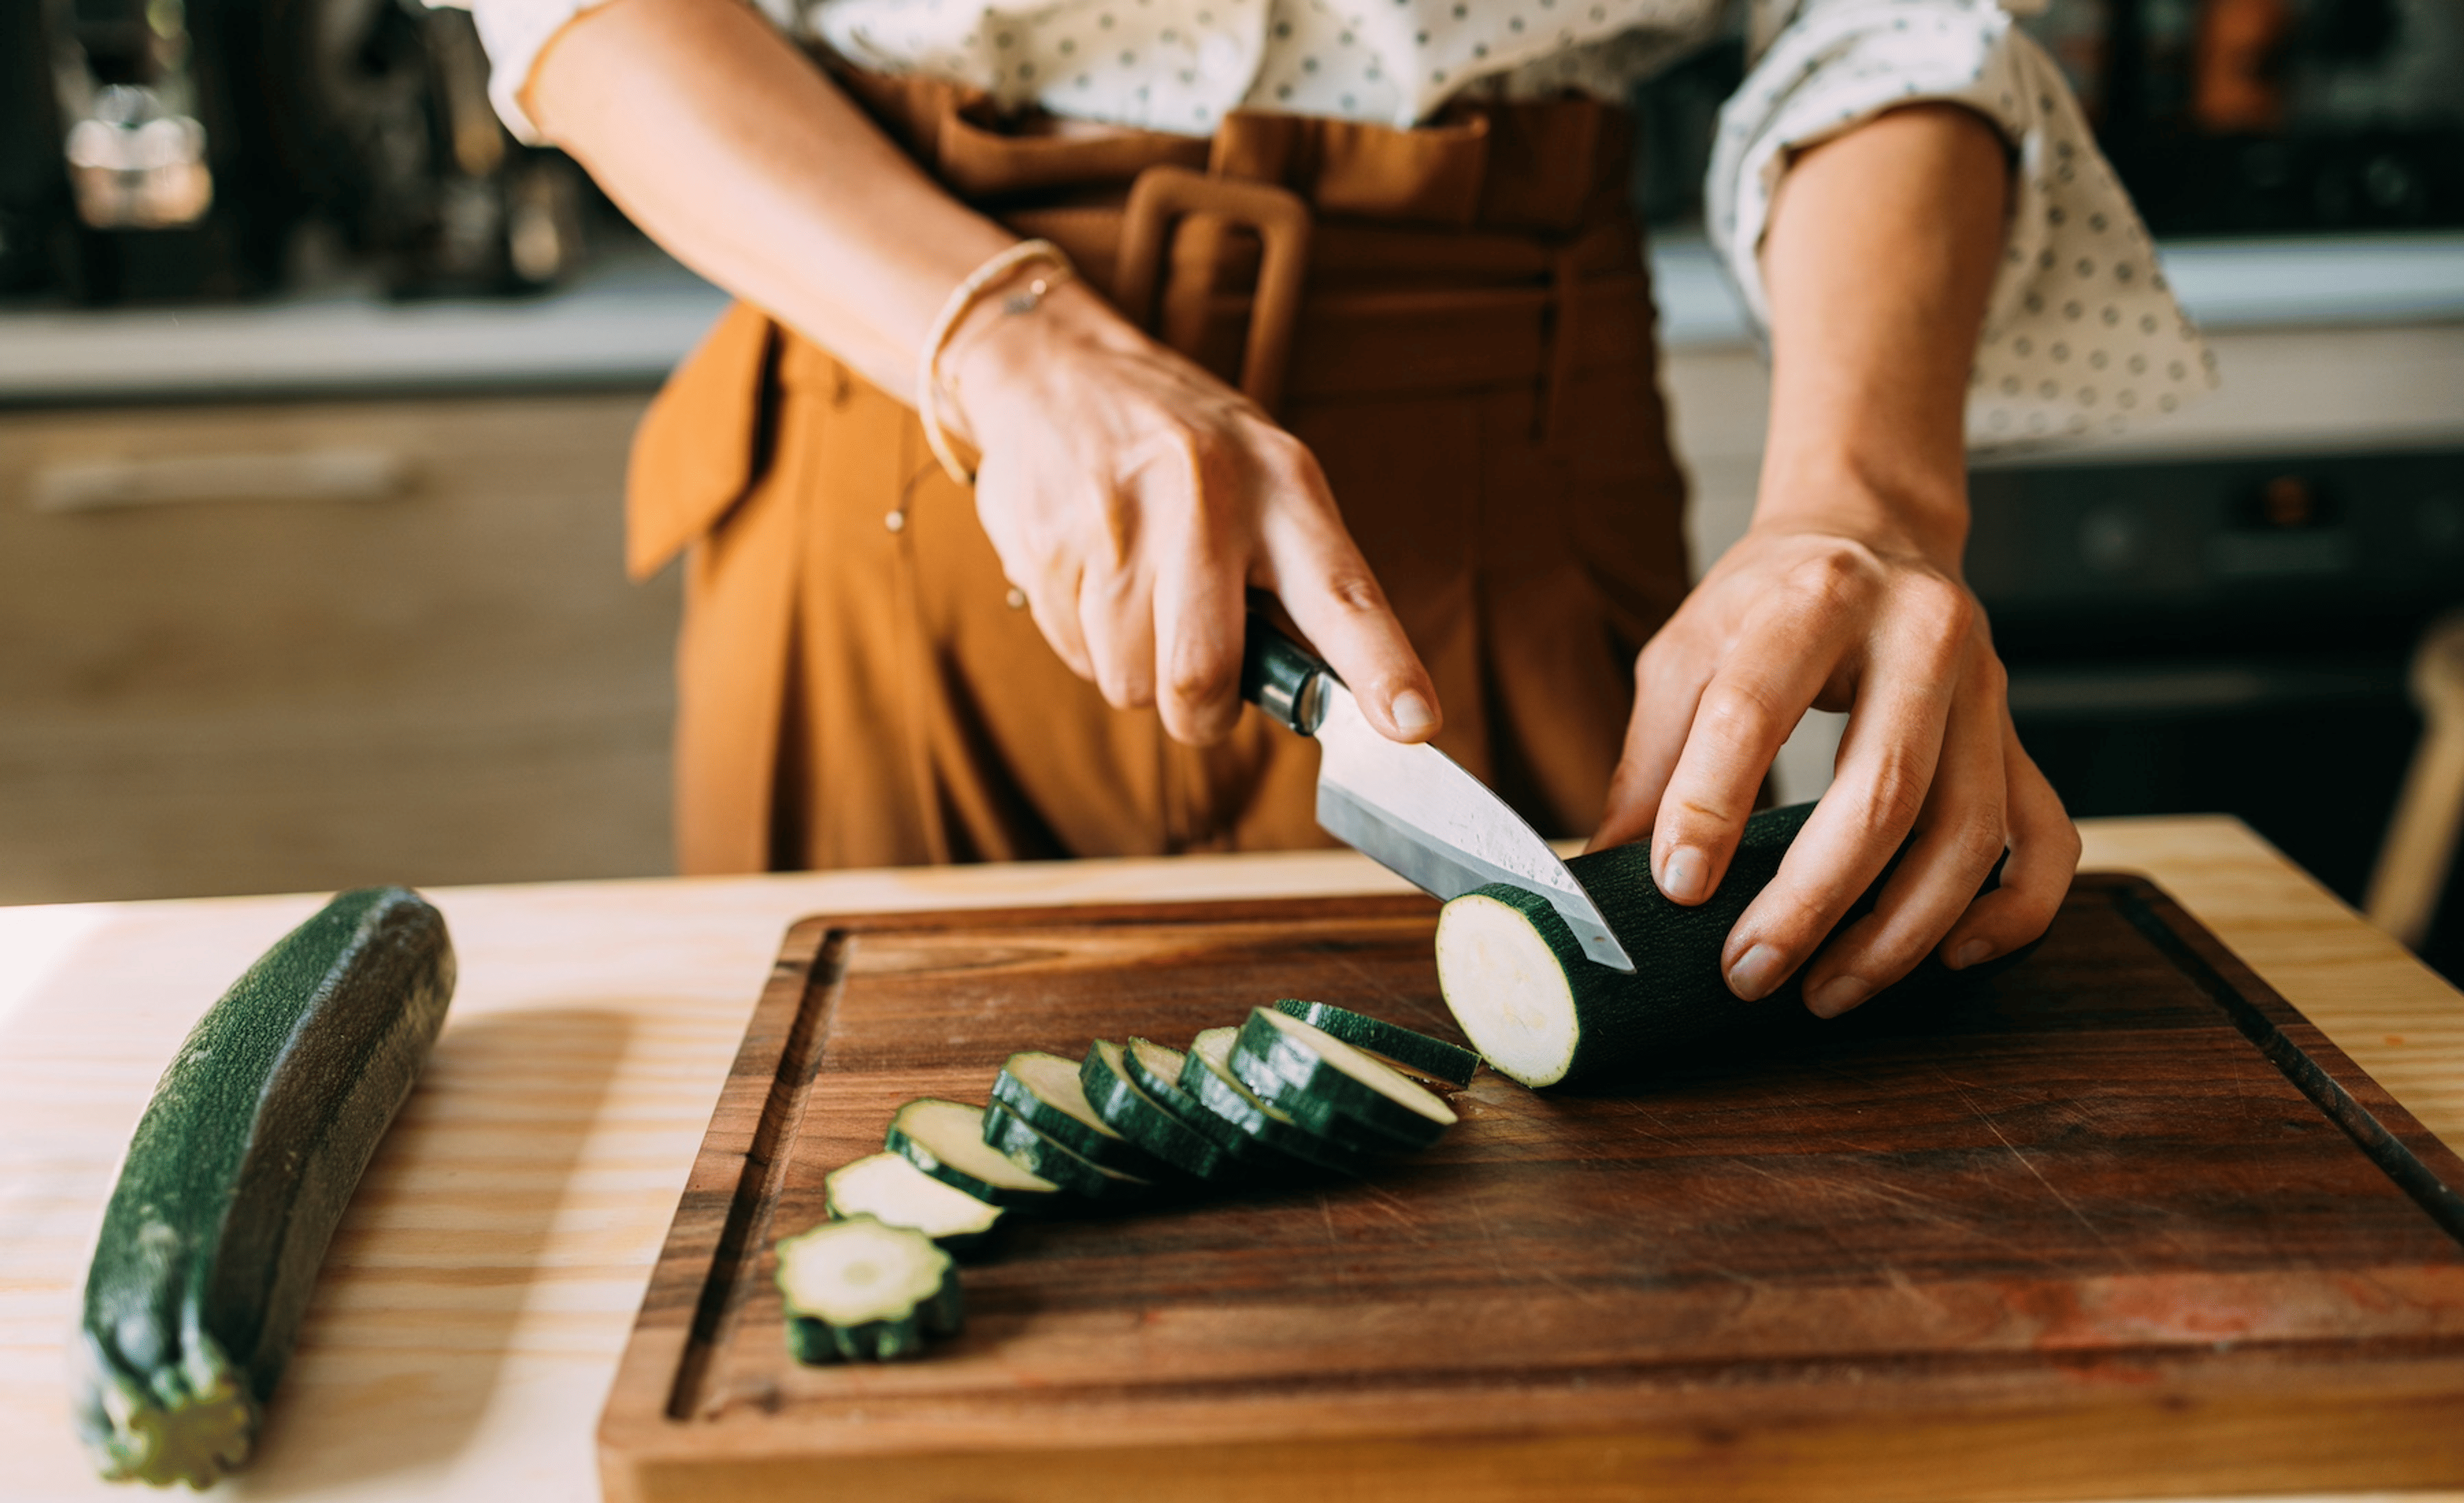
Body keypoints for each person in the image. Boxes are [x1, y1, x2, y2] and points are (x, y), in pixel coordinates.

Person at [466, 0, 2211, 1017]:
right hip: (895, 430)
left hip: (1510, 480)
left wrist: (1872, 496)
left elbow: (1894, 21)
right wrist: (999, 336)